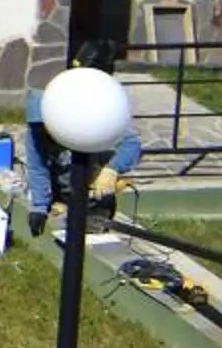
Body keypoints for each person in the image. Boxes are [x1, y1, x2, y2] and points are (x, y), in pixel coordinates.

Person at [23, 40, 141, 233]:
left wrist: (111, 170)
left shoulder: (87, 116)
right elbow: (38, 169)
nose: (43, 131)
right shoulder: (37, 131)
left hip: (93, 195)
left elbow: (131, 144)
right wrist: (39, 208)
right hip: (62, 196)